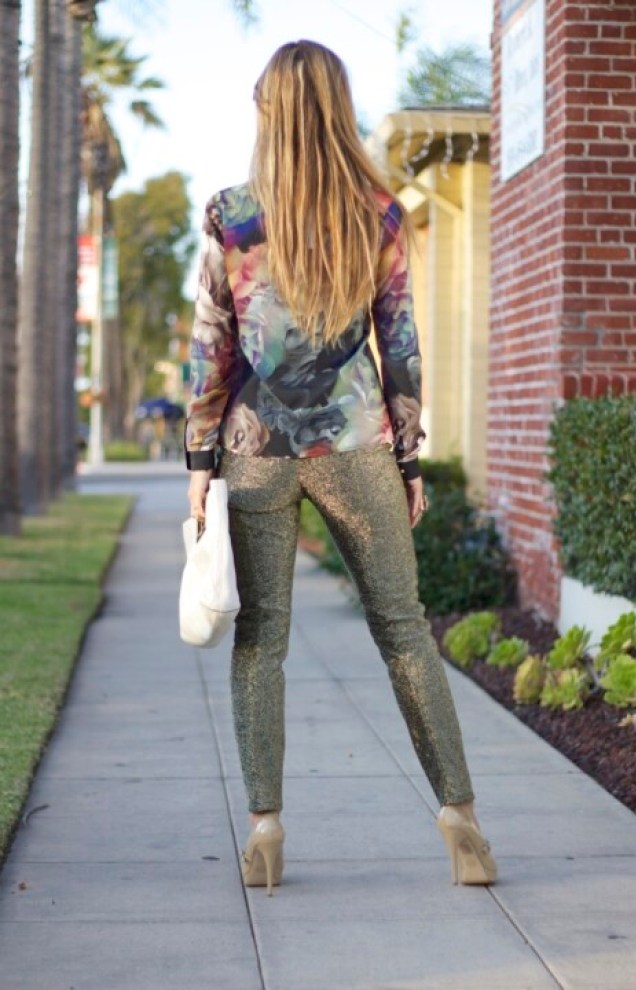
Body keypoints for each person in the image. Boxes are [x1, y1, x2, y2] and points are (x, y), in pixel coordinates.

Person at [185, 40, 497, 895]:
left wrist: (200, 461)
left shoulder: (230, 215)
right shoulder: (379, 214)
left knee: (261, 640)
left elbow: (212, 349)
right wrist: (410, 457)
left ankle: (266, 831)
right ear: (336, 109)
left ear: (271, 113)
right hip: (357, 444)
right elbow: (400, 343)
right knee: (404, 629)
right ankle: (462, 819)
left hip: (257, 451)